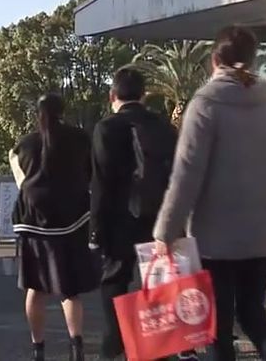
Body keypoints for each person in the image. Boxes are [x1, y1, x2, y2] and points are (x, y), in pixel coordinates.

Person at [154, 25, 266, 361]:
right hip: (263, 229)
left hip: (218, 234)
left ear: (215, 59)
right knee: (252, 312)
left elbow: (186, 174)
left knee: (216, 323)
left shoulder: (205, 103)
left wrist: (165, 232)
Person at [90, 66, 180, 360]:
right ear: (144, 95)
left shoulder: (105, 128)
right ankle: (156, 349)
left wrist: (96, 229)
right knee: (156, 282)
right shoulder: (163, 127)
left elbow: (101, 183)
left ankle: (116, 339)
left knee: (114, 280)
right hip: (157, 219)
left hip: (118, 220)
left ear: (112, 95)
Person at [12, 93, 99, 361]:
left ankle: (38, 349)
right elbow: (89, 175)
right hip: (72, 223)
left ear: (37, 114)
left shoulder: (24, 145)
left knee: (35, 289)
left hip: (34, 225)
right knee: (69, 290)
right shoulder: (80, 139)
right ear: (64, 111)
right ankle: (77, 347)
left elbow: (20, 181)